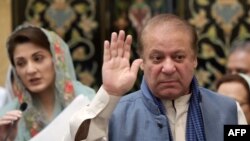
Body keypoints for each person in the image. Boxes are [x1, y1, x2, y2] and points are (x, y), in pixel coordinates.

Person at [67, 13, 247, 141]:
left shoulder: (229, 112)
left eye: (178, 57)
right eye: (157, 58)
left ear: (194, 59)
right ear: (143, 63)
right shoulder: (113, 115)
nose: (168, 68)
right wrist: (110, 92)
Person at [0, 25, 96, 140]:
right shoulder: (9, 118)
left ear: (56, 59)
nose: (30, 70)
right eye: (21, 63)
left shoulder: (86, 99)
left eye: (38, 58)